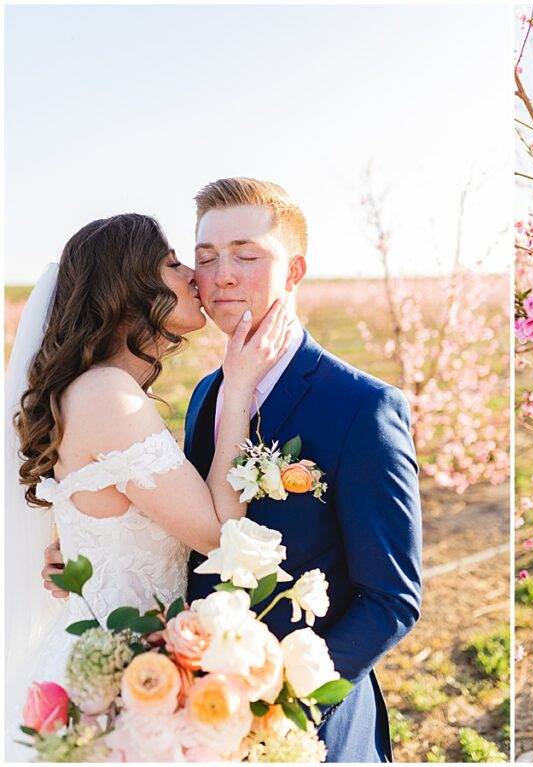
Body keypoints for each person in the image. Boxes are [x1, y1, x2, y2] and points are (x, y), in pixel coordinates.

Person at [40, 178, 423, 762]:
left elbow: (391, 598)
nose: (219, 276)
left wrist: (280, 700)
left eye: (246, 255)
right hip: (184, 714)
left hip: (305, 727)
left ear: (294, 271)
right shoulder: (205, 397)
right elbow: (189, 525)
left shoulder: (363, 409)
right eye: (204, 257)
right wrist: (86, 551)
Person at [6, 213, 290, 759]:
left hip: (125, 659)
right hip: (123, 684)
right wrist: (238, 388)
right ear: (130, 286)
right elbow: (215, 532)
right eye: (171, 262)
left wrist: (80, 562)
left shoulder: (94, 389)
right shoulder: (108, 393)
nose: (192, 275)